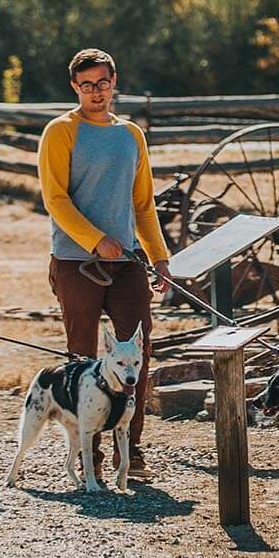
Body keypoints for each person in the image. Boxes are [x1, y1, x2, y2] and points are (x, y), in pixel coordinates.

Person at [38, 47, 171, 477]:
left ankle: (129, 453)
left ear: (115, 82)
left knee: (136, 353)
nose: (96, 92)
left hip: (128, 260)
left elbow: (143, 201)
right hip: (77, 261)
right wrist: (95, 240)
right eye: (87, 85)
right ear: (75, 87)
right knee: (82, 358)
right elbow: (55, 199)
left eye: (103, 83)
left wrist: (159, 256)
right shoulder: (61, 132)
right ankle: (88, 456)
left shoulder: (131, 134)